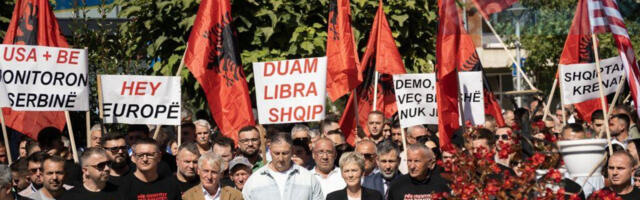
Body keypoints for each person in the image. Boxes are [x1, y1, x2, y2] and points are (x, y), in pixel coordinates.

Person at [242, 133, 323, 200]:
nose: (280, 158)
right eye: (276, 153)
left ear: (292, 151)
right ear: (270, 151)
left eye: (285, 153)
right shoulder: (254, 181)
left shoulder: (308, 179)